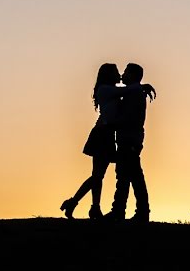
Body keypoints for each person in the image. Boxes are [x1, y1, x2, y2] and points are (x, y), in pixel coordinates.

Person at [60, 63, 155, 219]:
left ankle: (90, 206)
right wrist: (141, 86)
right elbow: (125, 90)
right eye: (117, 71)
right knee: (100, 175)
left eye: (123, 71)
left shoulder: (117, 92)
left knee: (103, 175)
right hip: (102, 134)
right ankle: (80, 204)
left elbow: (126, 95)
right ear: (108, 74)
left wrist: (139, 87)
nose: (120, 74)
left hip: (109, 135)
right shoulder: (106, 89)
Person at [107, 62, 151, 223]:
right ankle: (124, 210)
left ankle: (128, 211)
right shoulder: (134, 92)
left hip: (129, 139)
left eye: (126, 72)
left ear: (133, 75)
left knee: (131, 176)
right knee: (128, 176)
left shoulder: (134, 93)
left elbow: (129, 117)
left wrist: (112, 123)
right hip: (130, 138)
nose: (122, 74)